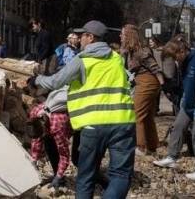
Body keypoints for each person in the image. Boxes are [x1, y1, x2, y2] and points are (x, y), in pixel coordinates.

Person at [30, 20, 135, 199]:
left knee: (86, 176)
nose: (79, 39)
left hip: (94, 126)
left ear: (91, 37)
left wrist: (36, 80)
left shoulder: (83, 60)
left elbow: (55, 81)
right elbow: (131, 81)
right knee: (121, 175)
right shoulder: (117, 59)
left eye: (82, 36)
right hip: (124, 123)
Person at [153, 35, 195, 180]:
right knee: (178, 127)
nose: (175, 61)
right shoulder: (184, 62)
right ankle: (172, 157)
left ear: (182, 51)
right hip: (189, 104)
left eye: (175, 57)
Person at [120, 24, 164, 156]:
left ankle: (141, 146)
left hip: (147, 82)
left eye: (122, 34)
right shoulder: (132, 51)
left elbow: (154, 66)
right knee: (147, 116)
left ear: (129, 36)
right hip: (144, 82)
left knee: (137, 114)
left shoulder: (141, 51)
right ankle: (151, 146)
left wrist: (161, 82)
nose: (120, 36)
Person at [27, 86, 71, 188]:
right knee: (49, 145)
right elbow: (36, 138)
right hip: (51, 126)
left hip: (76, 123)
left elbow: (64, 154)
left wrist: (59, 176)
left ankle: (60, 178)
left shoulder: (57, 127)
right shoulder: (35, 113)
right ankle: (58, 174)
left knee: (75, 156)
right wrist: (34, 160)